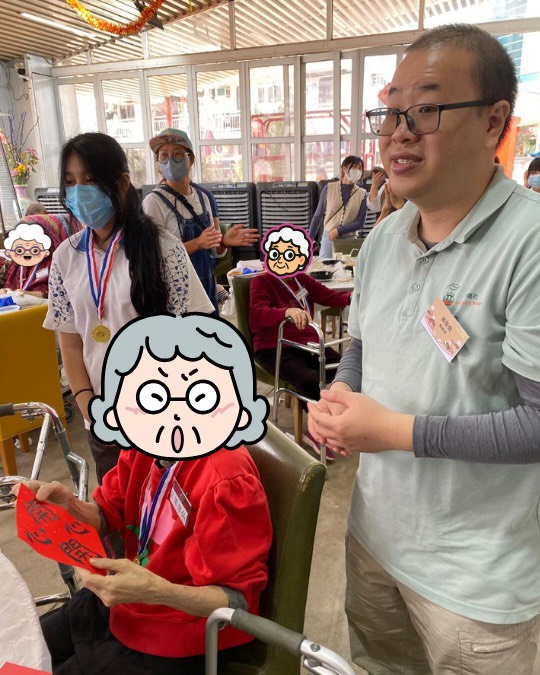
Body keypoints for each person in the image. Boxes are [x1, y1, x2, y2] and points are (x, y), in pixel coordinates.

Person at [308, 24, 540, 674]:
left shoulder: (528, 242)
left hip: (475, 578)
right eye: (389, 111)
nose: (397, 132)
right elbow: (363, 344)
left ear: (493, 121)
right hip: (375, 540)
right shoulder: (383, 239)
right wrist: (342, 393)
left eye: (426, 109)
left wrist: (395, 431)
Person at [14, 313, 272, 675]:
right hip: (131, 600)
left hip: (183, 631)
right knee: (21, 646)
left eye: (199, 396)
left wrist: (157, 591)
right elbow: (109, 512)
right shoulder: (144, 445)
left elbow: (238, 601)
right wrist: (70, 506)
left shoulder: (225, 480)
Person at [44, 132, 213, 484]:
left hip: (162, 412)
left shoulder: (162, 248)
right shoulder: (64, 257)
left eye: (90, 180)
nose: (78, 192)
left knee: (166, 508)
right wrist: (89, 404)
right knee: (116, 508)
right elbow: (71, 342)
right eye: (70, 182)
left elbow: (196, 331)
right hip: (102, 418)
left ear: (121, 184)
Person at [251, 224, 351, 459]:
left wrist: (355, 297)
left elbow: (329, 295)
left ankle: (335, 418)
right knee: (307, 380)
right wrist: (286, 312)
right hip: (273, 347)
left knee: (344, 368)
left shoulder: (300, 279)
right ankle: (316, 430)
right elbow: (258, 314)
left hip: (306, 345)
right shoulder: (262, 281)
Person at [142, 129, 259, 314]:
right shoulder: (153, 202)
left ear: (191, 160)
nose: (170, 161)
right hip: (176, 297)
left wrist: (224, 242)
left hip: (206, 288)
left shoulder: (204, 198)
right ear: (158, 165)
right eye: (163, 155)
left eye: (177, 154)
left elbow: (214, 250)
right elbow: (154, 257)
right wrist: (197, 243)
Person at [0, 215, 74, 298]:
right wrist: (3, 291)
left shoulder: (54, 265)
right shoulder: (11, 265)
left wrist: (29, 294)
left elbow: (62, 293)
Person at [308, 156, 367, 258]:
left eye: (360, 168)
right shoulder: (329, 188)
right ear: (344, 169)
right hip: (329, 238)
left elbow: (360, 223)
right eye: (354, 167)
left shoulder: (362, 193)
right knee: (325, 266)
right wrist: (309, 240)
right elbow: (317, 216)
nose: (357, 171)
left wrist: (339, 230)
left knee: (348, 267)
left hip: (349, 240)